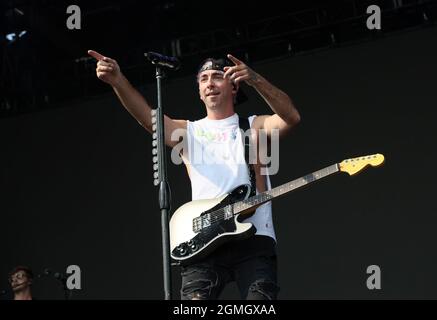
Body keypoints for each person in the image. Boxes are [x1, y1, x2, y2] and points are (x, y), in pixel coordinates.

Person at [88, 49, 300, 300]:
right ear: (199, 91)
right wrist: (118, 81)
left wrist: (255, 79)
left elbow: (291, 117)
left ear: (234, 87)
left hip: (254, 239)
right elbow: (148, 119)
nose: (209, 83)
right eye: (203, 79)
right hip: (204, 239)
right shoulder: (189, 131)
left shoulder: (255, 126)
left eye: (217, 76)